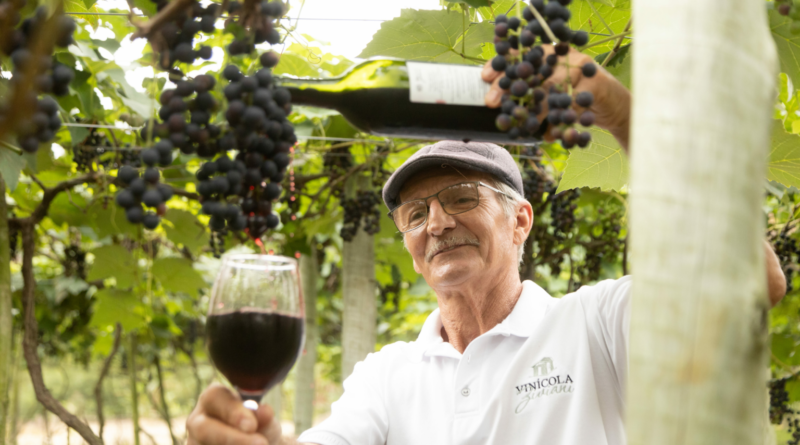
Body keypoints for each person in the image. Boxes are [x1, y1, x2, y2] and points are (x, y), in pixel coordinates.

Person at [185, 46, 787, 445]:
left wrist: (622, 115)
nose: (438, 221)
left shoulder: (598, 326)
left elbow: (753, 280)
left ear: (520, 220)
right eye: (415, 213)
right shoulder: (387, 376)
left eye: (464, 196)